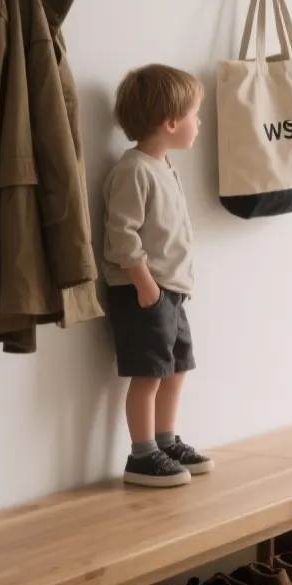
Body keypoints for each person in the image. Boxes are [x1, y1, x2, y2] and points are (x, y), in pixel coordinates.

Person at [105, 64, 210, 488]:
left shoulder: (163, 167)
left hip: (173, 293)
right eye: (194, 115)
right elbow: (121, 233)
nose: (199, 123)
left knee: (176, 367)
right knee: (148, 373)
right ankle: (142, 453)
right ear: (170, 123)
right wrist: (146, 285)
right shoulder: (134, 171)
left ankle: (165, 439)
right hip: (145, 292)